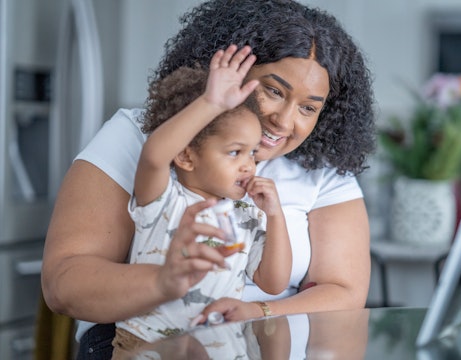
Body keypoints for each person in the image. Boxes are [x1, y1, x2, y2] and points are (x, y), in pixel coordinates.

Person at [41, 0, 376, 358]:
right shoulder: (144, 138)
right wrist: (163, 282)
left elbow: (345, 293)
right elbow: (64, 284)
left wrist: (257, 313)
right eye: (273, 91)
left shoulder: (315, 176)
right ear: (230, 71)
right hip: (144, 341)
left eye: (308, 107)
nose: (284, 120)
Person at [111, 46, 292, 357]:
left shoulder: (247, 213)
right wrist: (211, 103)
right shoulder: (163, 198)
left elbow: (273, 283)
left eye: (252, 153)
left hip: (222, 349)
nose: (248, 165)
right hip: (147, 346)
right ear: (185, 155)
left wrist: (276, 217)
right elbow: (154, 156)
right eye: (235, 152)